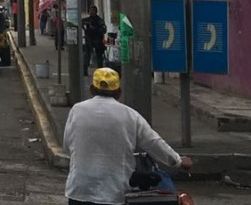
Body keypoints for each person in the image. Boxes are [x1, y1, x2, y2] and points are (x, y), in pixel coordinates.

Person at [63, 67, 191, 205]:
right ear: (118, 92)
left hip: (79, 190)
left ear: (91, 90)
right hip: (113, 193)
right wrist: (178, 161)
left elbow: (67, 146)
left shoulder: (77, 110)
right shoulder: (130, 115)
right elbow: (153, 142)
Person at [81, 6, 108, 75]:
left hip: (97, 40)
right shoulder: (87, 20)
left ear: (96, 12)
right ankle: (84, 71)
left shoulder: (99, 20)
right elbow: (81, 23)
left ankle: (100, 71)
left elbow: (104, 30)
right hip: (89, 39)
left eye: (93, 11)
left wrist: (95, 29)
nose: (91, 12)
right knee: (87, 55)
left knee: (99, 56)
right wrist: (85, 28)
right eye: (90, 11)